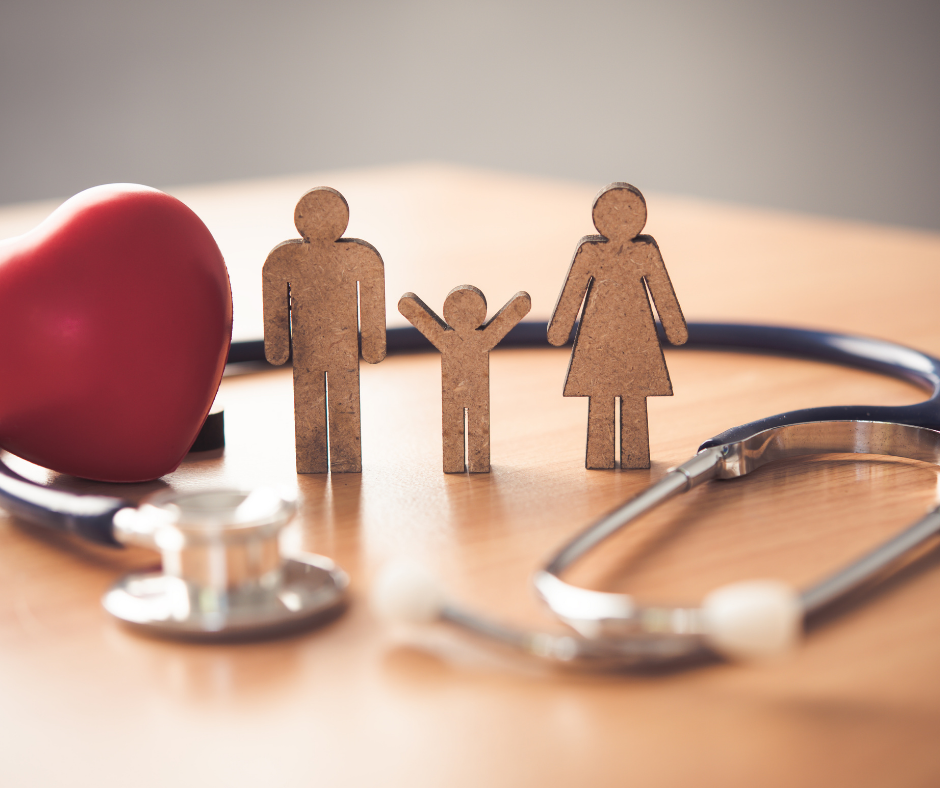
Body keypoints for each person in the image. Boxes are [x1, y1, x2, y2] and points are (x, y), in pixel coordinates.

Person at [547, 183, 687, 469]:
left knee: (635, 395)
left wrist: (675, 328)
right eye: (613, 211)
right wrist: (560, 330)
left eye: (628, 211)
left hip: (638, 336)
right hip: (596, 337)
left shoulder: (645, 252)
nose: (621, 218)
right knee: (600, 395)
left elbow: (662, 292)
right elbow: (573, 290)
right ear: (599, 216)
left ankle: (635, 457)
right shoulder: (589, 252)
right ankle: (599, 456)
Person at [262, 187, 386, 473]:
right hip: (309, 351)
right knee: (311, 403)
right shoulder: (285, 258)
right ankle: (315, 458)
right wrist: (277, 346)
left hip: (341, 350)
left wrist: (372, 344)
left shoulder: (359, 256)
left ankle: (341, 458)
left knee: (343, 402)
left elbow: (371, 298)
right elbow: (275, 305)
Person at [399, 285, 531, 473]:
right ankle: (465, 463)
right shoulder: (468, 338)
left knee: (472, 426)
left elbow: (419, 316)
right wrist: (521, 304)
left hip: (471, 393)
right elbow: (508, 318)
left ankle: (469, 463)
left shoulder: (459, 338)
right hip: (462, 393)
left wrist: (408, 305)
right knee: (461, 426)